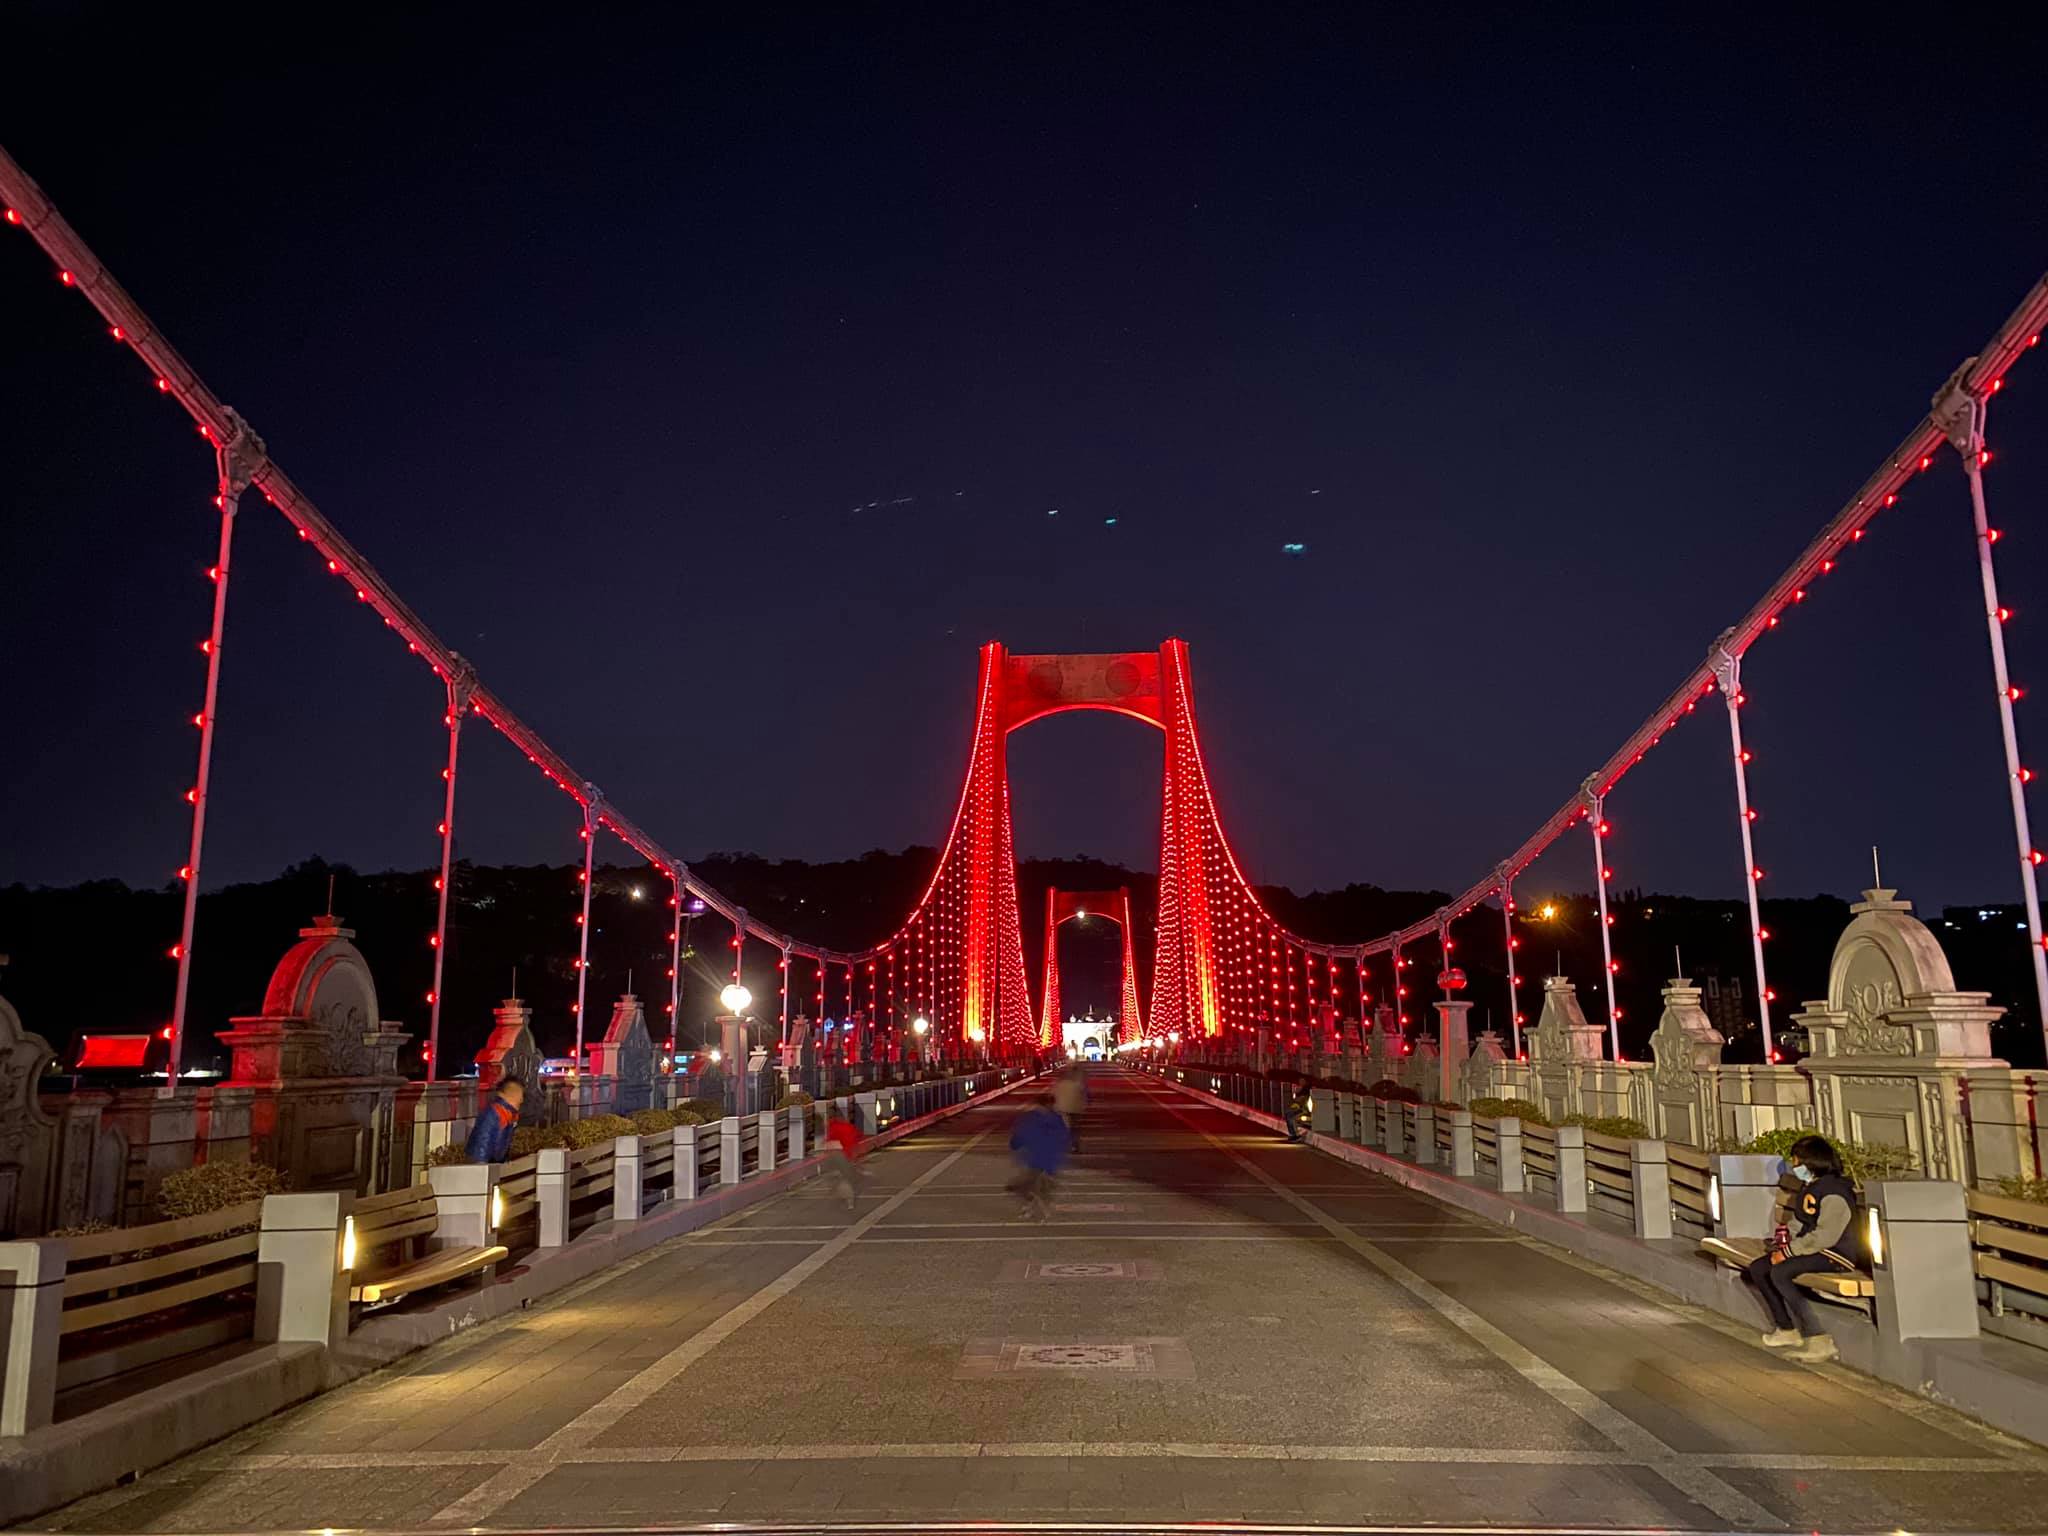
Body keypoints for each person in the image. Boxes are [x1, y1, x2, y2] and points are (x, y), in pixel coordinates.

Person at [1743, 1134, 1856, 1363]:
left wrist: (1788, 1252)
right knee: (1759, 1268)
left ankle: (1818, 1338)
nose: (1794, 1166)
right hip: (1809, 1249)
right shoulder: (1811, 1187)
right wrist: (1783, 1242)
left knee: (1780, 1271)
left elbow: (1825, 1236)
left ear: (1812, 1162)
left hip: (1835, 1254)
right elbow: (1800, 1222)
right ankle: (1786, 1329)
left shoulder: (1834, 1192)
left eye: (1796, 1161)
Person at [1007, 1094, 1071, 1220]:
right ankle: (1034, 1207)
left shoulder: (1029, 1118)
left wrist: (1015, 1145)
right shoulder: (1057, 1118)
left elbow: (1020, 1135)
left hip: (1033, 1158)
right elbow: (1064, 1137)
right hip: (1050, 1159)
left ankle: (1033, 1209)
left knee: (1026, 1186)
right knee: (1039, 1186)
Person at [463, 1075, 525, 1163]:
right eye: (520, 1096)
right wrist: (481, 1165)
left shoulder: (508, 1115)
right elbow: (483, 1140)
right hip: (480, 1163)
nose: (521, 1100)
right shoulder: (494, 1113)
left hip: (490, 1163)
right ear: (512, 1096)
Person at [823, 1108, 867, 1210]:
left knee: (835, 1177)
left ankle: (836, 1194)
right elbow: (854, 1142)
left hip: (832, 1155)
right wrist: (856, 1159)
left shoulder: (831, 1126)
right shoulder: (848, 1127)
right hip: (843, 1155)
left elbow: (829, 1142)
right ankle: (850, 1202)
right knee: (847, 1178)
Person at [1052, 1066, 1087, 1152]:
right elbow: (1083, 1096)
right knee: (1074, 1128)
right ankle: (1074, 1146)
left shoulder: (1059, 1085)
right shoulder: (1078, 1084)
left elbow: (1053, 1096)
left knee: (1064, 1127)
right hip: (1075, 1109)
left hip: (1062, 1109)